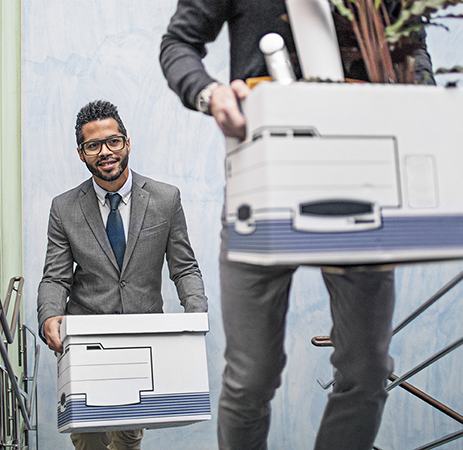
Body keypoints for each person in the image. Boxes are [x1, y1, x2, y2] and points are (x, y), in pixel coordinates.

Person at [160, 1, 435, 449]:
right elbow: (178, 43)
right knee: (251, 377)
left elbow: (414, 49)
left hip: (362, 174)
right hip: (263, 179)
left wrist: (425, 96)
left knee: (367, 371)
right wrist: (210, 93)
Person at [36, 99, 208, 450]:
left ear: (126, 143)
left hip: (142, 340)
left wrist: (196, 316)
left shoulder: (165, 199)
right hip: (85, 341)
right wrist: (50, 314)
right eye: (93, 145)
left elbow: (184, 267)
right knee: (88, 439)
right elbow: (55, 276)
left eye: (113, 141)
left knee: (128, 440)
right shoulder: (64, 208)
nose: (105, 152)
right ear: (82, 153)